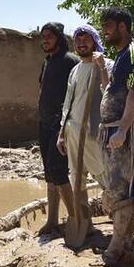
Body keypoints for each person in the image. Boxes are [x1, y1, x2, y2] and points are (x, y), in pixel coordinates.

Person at [95, 7, 134, 267]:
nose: (104, 31)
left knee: (123, 188)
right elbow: (111, 88)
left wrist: (122, 130)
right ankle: (126, 243)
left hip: (127, 132)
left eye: (108, 25)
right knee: (115, 185)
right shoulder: (121, 56)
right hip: (114, 130)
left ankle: (116, 246)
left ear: (122, 26)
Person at [37, 22, 79, 236]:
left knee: (59, 172)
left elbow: (78, 95)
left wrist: (65, 125)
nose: (45, 40)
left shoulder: (70, 61)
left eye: (50, 36)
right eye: (43, 36)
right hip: (44, 124)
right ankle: (52, 220)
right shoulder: (48, 61)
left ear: (59, 39)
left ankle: (76, 220)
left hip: (61, 126)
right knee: (49, 174)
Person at [58, 25, 110, 195]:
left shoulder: (108, 65)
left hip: (95, 134)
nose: (82, 43)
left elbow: (110, 94)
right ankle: (82, 213)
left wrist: (102, 67)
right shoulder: (75, 70)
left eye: (86, 39)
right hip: (72, 132)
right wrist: (61, 134)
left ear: (95, 42)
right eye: (78, 40)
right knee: (77, 180)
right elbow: (68, 103)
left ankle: (117, 211)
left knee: (107, 179)